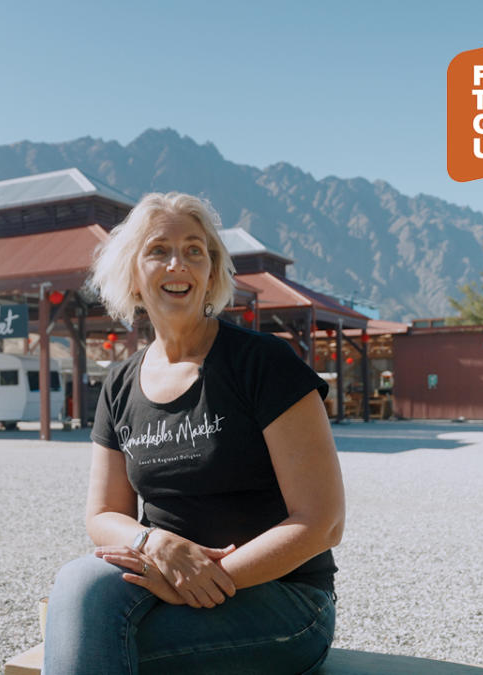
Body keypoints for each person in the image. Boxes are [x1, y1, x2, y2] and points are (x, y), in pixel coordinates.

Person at [43, 192, 345, 674]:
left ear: (211, 274)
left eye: (194, 250)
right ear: (133, 276)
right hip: (163, 580)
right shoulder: (119, 385)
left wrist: (206, 578)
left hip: (283, 601)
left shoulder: (263, 363)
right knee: (79, 583)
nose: (177, 263)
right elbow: (104, 513)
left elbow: (322, 522)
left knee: (93, 645)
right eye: (158, 250)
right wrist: (152, 543)